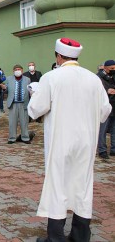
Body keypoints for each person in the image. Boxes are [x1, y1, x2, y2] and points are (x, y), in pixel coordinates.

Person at [28, 38, 111, 242]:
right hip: (86, 141)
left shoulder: (51, 77)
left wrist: (34, 93)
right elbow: (105, 111)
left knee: (58, 184)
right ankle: (80, 235)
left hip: (61, 140)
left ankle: (55, 238)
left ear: (58, 55)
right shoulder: (93, 79)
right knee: (83, 185)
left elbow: (35, 109)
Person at [4, 64, 30, 144]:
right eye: (16, 69)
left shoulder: (27, 79)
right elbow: (6, 90)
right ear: (13, 71)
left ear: (22, 70)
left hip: (24, 103)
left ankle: (25, 138)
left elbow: (30, 90)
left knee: (24, 122)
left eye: (19, 69)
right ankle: (12, 138)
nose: (17, 71)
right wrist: (4, 88)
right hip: (13, 104)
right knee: (12, 122)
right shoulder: (8, 79)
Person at [96, 59, 115, 159]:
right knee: (102, 130)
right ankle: (102, 150)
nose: (114, 70)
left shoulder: (113, 77)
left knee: (114, 130)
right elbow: (97, 91)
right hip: (104, 106)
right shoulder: (98, 77)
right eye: (112, 68)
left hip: (114, 106)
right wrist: (107, 91)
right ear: (106, 68)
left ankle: (113, 150)